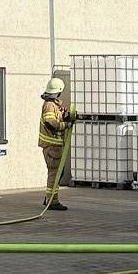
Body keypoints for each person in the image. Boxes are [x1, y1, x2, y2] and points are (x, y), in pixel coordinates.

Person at [39, 78, 77, 211]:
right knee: (55, 174)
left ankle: (49, 198)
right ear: (59, 91)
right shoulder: (49, 105)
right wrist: (66, 125)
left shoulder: (52, 105)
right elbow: (51, 123)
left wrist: (65, 116)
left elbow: (54, 119)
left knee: (56, 174)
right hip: (52, 146)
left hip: (53, 146)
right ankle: (52, 201)